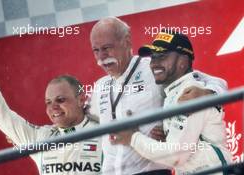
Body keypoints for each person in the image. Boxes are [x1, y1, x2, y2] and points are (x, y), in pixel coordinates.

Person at [88, 17, 228, 175]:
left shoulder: (155, 70)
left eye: (107, 47)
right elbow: (89, 123)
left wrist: (208, 93)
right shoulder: (100, 85)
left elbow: (214, 82)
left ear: (126, 41)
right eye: (96, 50)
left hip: (151, 171)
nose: (102, 56)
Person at [0, 29, 102, 175]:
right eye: (48, 102)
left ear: (81, 99)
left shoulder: (105, 132)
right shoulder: (40, 137)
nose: (53, 108)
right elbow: (1, 114)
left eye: (61, 100)